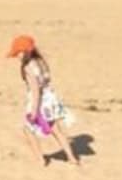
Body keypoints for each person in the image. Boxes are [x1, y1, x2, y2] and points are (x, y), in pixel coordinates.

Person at [7, 33, 79, 167]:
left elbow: (35, 91)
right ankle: (72, 157)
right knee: (55, 129)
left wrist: (34, 111)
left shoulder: (28, 68)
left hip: (39, 102)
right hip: (50, 99)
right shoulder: (40, 62)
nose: (17, 56)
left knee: (28, 129)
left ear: (25, 52)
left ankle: (40, 160)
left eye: (17, 53)